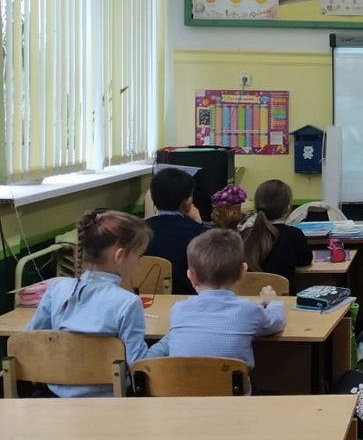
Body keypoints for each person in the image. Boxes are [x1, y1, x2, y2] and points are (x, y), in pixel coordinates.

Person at [26, 210, 167, 397]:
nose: (140, 262)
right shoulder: (128, 303)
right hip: (111, 401)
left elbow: (31, 341)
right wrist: (168, 340)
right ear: (120, 256)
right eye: (139, 255)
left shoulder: (57, 288)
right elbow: (138, 365)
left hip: (56, 398)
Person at [150, 229, 286, 378]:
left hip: (180, 391)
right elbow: (276, 322)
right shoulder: (248, 310)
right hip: (231, 392)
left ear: (191, 276)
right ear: (242, 272)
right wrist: (272, 302)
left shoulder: (178, 309)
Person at [242, 180, 312, 291]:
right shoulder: (294, 235)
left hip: (250, 298)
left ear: (255, 207)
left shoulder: (244, 235)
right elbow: (305, 261)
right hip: (284, 299)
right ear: (287, 208)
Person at [145, 167, 206, 295]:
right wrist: (199, 223)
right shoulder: (197, 232)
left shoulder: (138, 231)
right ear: (188, 202)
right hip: (188, 299)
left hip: (147, 298)